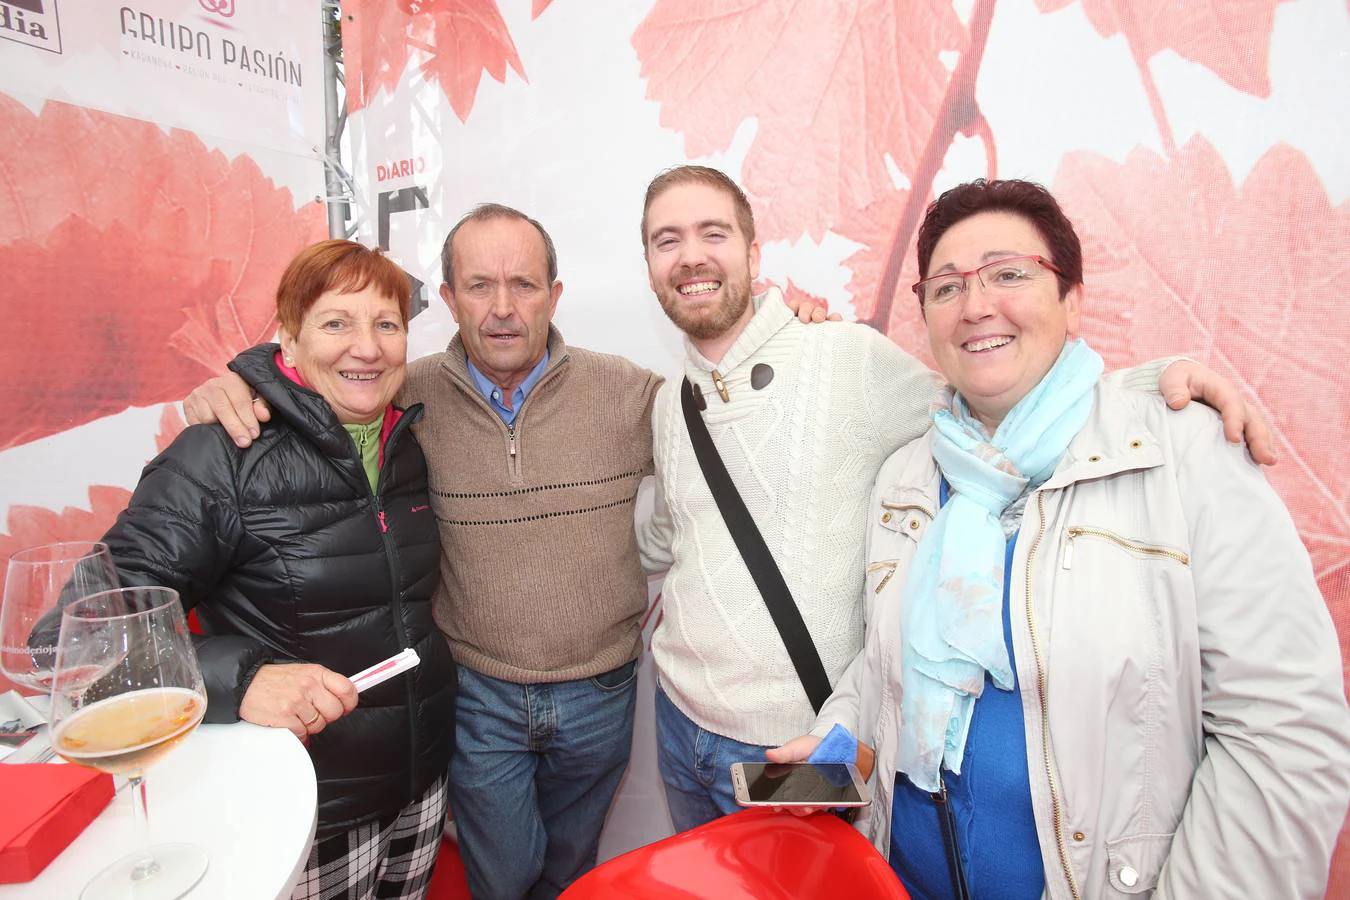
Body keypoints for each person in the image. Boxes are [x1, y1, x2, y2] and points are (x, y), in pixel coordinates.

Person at [634, 165, 1278, 833]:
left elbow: (997, 395)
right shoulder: (668, 402)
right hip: (680, 723)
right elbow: (676, 533)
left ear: (754, 252)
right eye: (666, 240)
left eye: (713, 232)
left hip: (792, 739)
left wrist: (1148, 387)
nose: (691, 256)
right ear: (650, 266)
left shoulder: (843, 358)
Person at [770, 179, 1350, 898]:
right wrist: (842, 734)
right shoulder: (905, 476)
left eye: (1009, 274)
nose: (976, 304)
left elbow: (1283, 735)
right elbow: (884, 661)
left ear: (1073, 301)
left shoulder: (1183, 453)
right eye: (946, 287)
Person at [187, 205, 662, 900]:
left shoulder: (625, 391)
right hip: (477, 693)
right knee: (502, 877)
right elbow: (309, 387)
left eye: (524, 285)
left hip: (600, 690)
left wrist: (796, 334)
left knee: (574, 871)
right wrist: (241, 380)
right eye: (478, 286)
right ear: (446, 300)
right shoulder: (401, 394)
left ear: (555, 296)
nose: (502, 308)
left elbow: (727, 418)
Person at [101, 239, 458, 900]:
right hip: (306, 807)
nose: (368, 346)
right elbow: (85, 634)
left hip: (420, 785)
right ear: (288, 344)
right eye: (336, 323)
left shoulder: (408, 444)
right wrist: (240, 680)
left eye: (386, 324)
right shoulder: (222, 453)